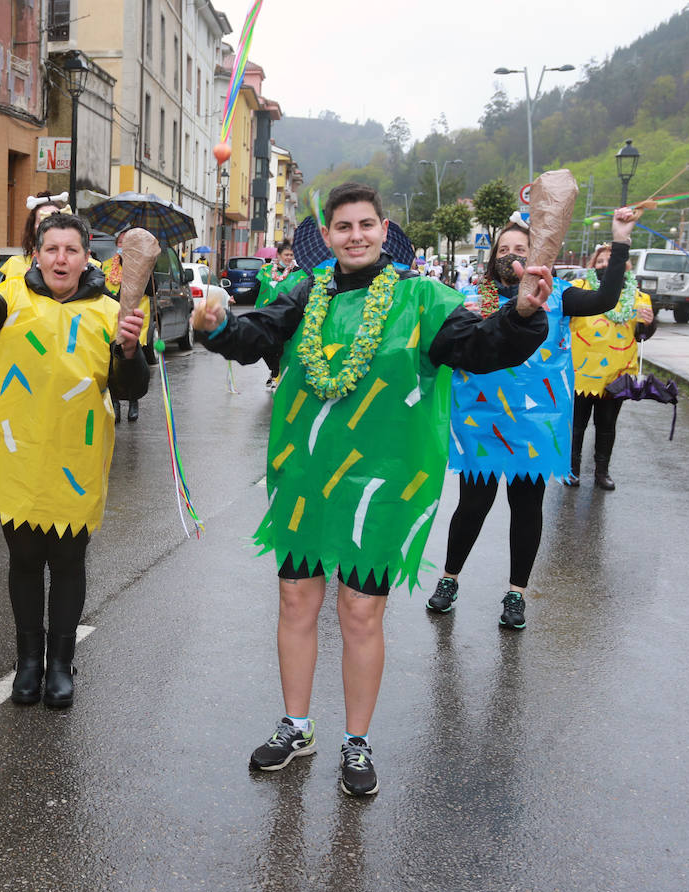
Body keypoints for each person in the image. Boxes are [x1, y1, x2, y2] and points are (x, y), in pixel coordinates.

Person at [192, 182, 550, 796]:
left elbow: (483, 348)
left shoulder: (425, 299)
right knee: (297, 602)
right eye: (343, 226)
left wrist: (519, 314)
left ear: (385, 230)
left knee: (359, 612)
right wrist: (218, 324)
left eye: (366, 225)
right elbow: (258, 338)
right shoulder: (305, 294)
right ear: (327, 236)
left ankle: (355, 741)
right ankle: (296, 725)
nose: (355, 235)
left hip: (384, 485)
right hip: (305, 476)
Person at [0, 212, 149, 709]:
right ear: (36, 254)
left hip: (74, 456)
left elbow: (131, 389)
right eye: (52, 249)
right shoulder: (13, 296)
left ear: (88, 258)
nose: (61, 258)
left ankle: (60, 664)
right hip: (13, 451)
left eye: (71, 250)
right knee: (23, 558)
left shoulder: (113, 311)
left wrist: (129, 351)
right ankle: (29, 662)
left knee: (66, 559)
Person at [425, 207, 637, 628]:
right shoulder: (471, 299)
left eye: (519, 248)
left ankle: (516, 594)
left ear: (537, 254)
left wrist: (620, 240)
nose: (509, 253)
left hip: (536, 424)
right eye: (503, 249)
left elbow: (607, 299)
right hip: (480, 423)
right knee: (472, 506)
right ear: (492, 259)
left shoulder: (560, 295)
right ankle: (449, 579)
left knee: (526, 507)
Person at [567, 243, 655, 489]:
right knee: (576, 425)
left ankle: (601, 472)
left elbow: (641, 336)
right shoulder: (578, 289)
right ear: (592, 264)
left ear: (625, 266)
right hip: (581, 372)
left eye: (611, 261)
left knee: (606, 426)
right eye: (600, 261)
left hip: (617, 373)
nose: (605, 265)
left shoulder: (638, 297)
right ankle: (571, 469)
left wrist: (649, 323)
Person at [0, 191, 68, 358]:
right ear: (33, 228)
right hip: (25, 353)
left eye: (55, 219)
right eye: (43, 220)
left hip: (66, 350)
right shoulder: (16, 265)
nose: (50, 226)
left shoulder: (82, 266)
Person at [101, 227, 156, 423]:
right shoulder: (106, 265)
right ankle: (115, 402)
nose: (124, 247)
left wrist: (146, 272)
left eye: (129, 243)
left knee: (131, 359)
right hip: (111, 318)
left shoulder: (144, 265)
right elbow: (101, 288)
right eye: (121, 243)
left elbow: (151, 291)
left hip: (135, 322)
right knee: (112, 361)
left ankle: (133, 402)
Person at [253, 241, 303, 389]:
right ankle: (275, 370)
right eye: (286, 254)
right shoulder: (267, 271)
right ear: (279, 255)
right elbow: (256, 290)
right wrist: (236, 297)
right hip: (266, 316)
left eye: (291, 255)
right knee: (264, 346)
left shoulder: (299, 273)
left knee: (283, 347)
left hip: (288, 317)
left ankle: (278, 374)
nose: (289, 257)